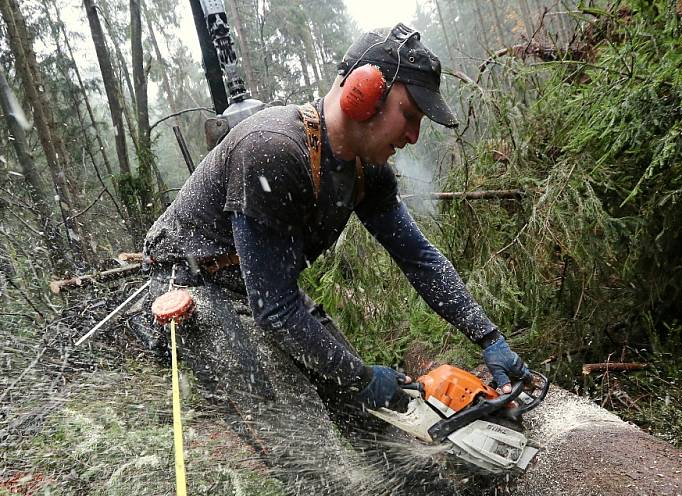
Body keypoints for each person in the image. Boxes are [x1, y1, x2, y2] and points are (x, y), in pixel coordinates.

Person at [143, 23, 529, 411]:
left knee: (370, 417)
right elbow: (275, 310)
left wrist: (488, 337)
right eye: (409, 114)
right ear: (365, 93)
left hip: (266, 292)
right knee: (302, 433)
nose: (413, 135)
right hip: (191, 285)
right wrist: (359, 377)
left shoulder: (368, 170)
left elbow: (419, 258)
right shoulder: (273, 150)